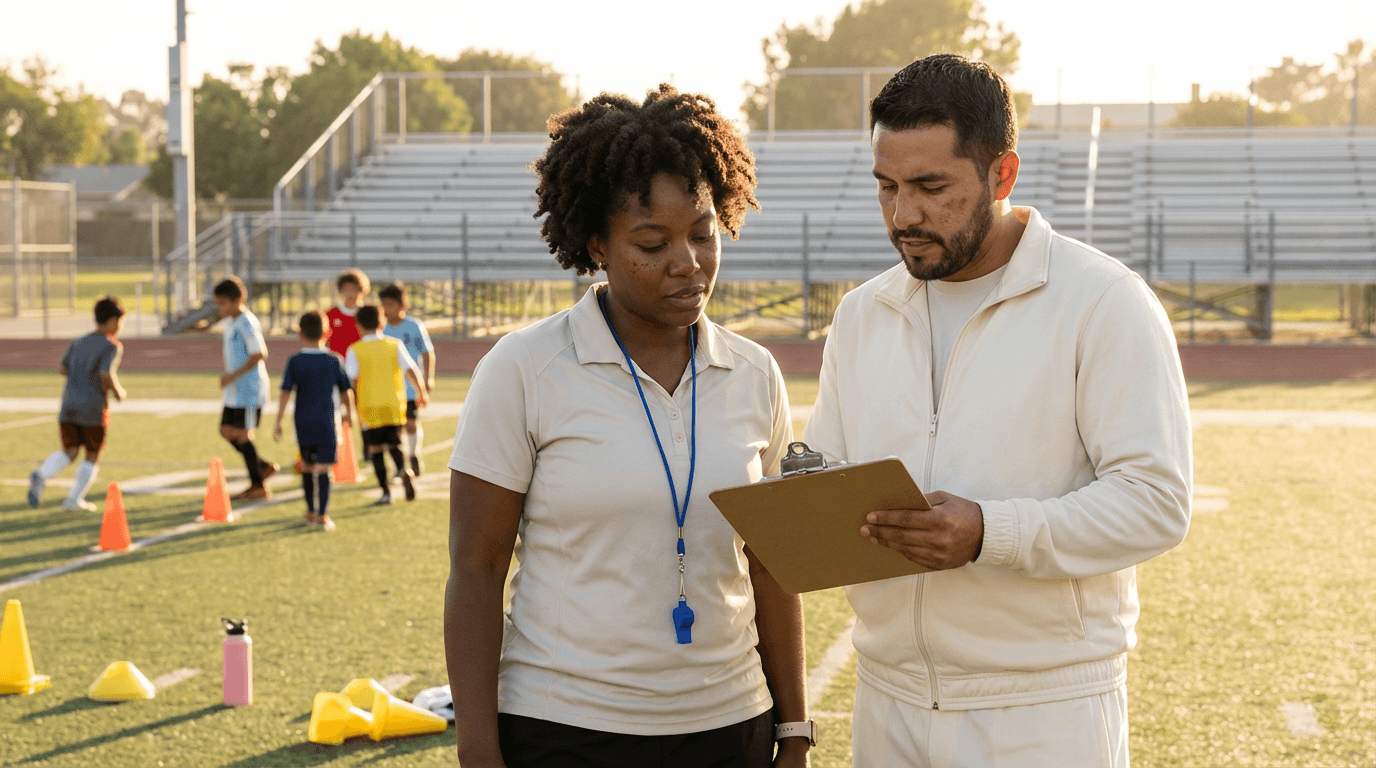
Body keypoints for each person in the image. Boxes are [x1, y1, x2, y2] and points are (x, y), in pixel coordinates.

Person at [801, 54, 1192, 767]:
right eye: (886, 186)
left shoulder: (1104, 302)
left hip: (1043, 714)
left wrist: (990, 532)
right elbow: (828, 477)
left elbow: (1156, 503)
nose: (903, 215)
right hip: (887, 703)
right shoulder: (860, 314)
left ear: (1002, 175)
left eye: (931, 187)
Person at [444, 85, 812, 768]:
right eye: (652, 242)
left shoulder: (755, 372)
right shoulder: (523, 368)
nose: (688, 261)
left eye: (702, 233)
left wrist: (794, 728)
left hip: (732, 723)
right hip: (565, 729)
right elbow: (477, 567)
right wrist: (478, 750)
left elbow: (769, 564)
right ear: (597, 244)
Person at [28, 296, 127, 511]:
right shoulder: (111, 345)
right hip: (93, 407)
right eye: (119, 321)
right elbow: (105, 373)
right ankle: (73, 500)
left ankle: (42, 474)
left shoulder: (78, 341)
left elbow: (63, 368)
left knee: (70, 450)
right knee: (92, 454)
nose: (120, 326)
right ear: (111, 320)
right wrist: (118, 392)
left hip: (69, 404)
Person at [273, 310, 356, 531]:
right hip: (327, 422)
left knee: (308, 466)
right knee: (324, 468)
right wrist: (349, 413)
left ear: (299, 333)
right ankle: (323, 515)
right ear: (327, 333)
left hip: (303, 422)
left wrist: (278, 421)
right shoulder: (334, 359)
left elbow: (285, 392)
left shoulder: (295, 361)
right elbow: (346, 391)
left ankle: (310, 511)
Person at [344, 304, 426, 505]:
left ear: (358, 325)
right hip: (394, 404)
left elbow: (349, 381)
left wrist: (349, 408)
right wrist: (421, 392)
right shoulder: (394, 344)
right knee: (395, 443)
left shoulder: (355, 349)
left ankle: (386, 493)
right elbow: (411, 369)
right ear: (382, 322)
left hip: (369, 406)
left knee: (375, 449)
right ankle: (404, 471)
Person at [214, 276, 278, 500]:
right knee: (226, 430)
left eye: (223, 303)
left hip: (249, 390)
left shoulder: (247, 322)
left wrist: (233, 375)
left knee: (242, 435)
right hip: (234, 390)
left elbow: (259, 354)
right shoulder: (230, 322)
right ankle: (261, 466)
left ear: (237, 300)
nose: (220, 308)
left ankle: (258, 485)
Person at [378, 281, 435, 477]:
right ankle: (400, 466)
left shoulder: (413, 326)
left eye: (390, 304)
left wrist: (428, 378)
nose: (386, 309)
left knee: (411, 423)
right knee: (394, 430)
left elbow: (427, 353)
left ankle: (414, 455)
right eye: (383, 305)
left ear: (402, 304)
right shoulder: (380, 328)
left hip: (410, 387)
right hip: (388, 387)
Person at [326, 268, 370, 358]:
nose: (350, 293)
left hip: (362, 362)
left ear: (362, 290)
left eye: (354, 289)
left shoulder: (368, 314)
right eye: (346, 289)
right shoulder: (331, 314)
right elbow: (325, 340)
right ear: (340, 290)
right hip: (337, 362)